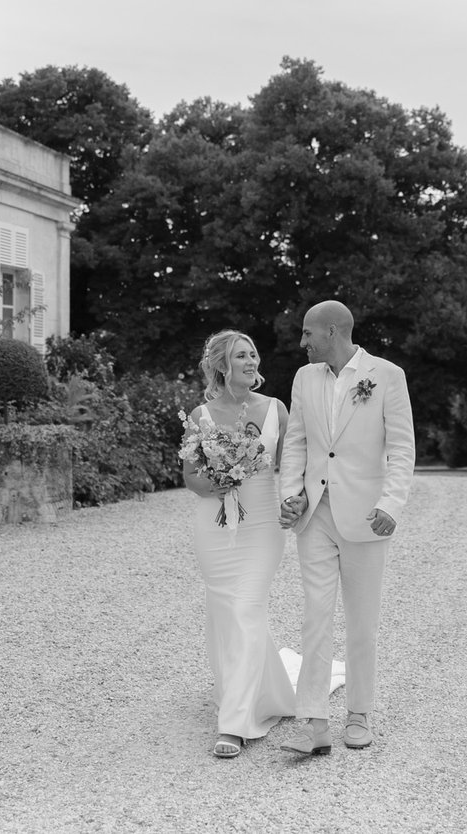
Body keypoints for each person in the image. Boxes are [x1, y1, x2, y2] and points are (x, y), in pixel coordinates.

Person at [279, 300, 414, 754]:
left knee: (361, 622)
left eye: (308, 334)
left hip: (366, 516)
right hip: (315, 513)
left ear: (333, 332)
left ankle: (358, 713)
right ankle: (314, 721)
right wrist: (290, 495)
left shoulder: (387, 375)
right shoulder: (304, 379)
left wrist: (392, 503)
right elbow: (295, 442)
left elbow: (402, 448)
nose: (302, 343)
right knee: (315, 617)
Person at [182, 329, 297, 758]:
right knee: (225, 612)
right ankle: (244, 690)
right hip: (214, 527)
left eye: (252, 355)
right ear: (221, 366)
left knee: (247, 607)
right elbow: (191, 478)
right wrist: (222, 477)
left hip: (262, 526)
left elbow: (294, 466)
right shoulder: (201, 416)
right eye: (240, 356)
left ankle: (234, 723)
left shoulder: (276, 411)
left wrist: (296, 501)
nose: (251, 362)